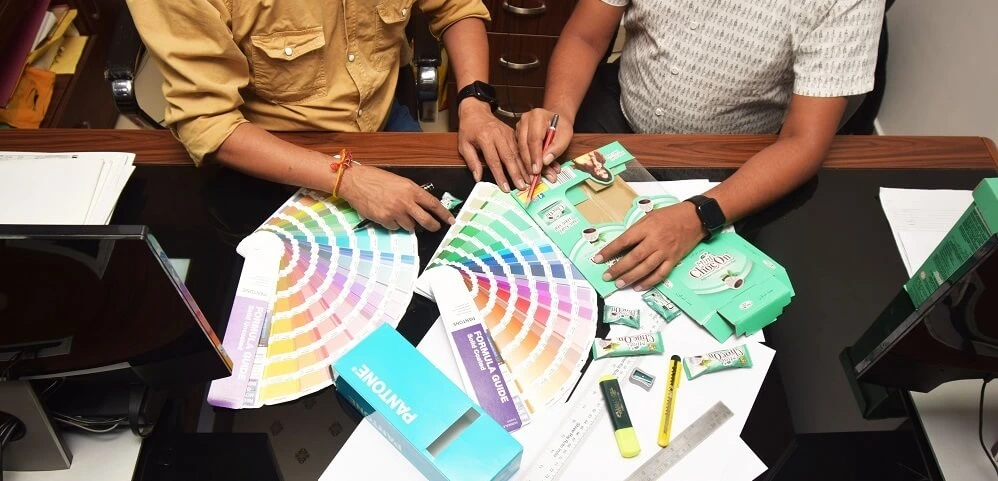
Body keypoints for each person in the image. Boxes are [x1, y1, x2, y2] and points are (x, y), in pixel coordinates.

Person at [516, 0, 884, 290]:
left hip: (732, 164)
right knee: (551, 256)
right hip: (618, 111)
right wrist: (559, 111)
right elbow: (586, 36)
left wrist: (699, 216)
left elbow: (804, 140)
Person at [128, 0, 526, 233]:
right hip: (272, 152)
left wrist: (475, 102)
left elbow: (455, 7)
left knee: (453, 239)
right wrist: (349, 178)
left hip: (382, 122)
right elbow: (208, 122)